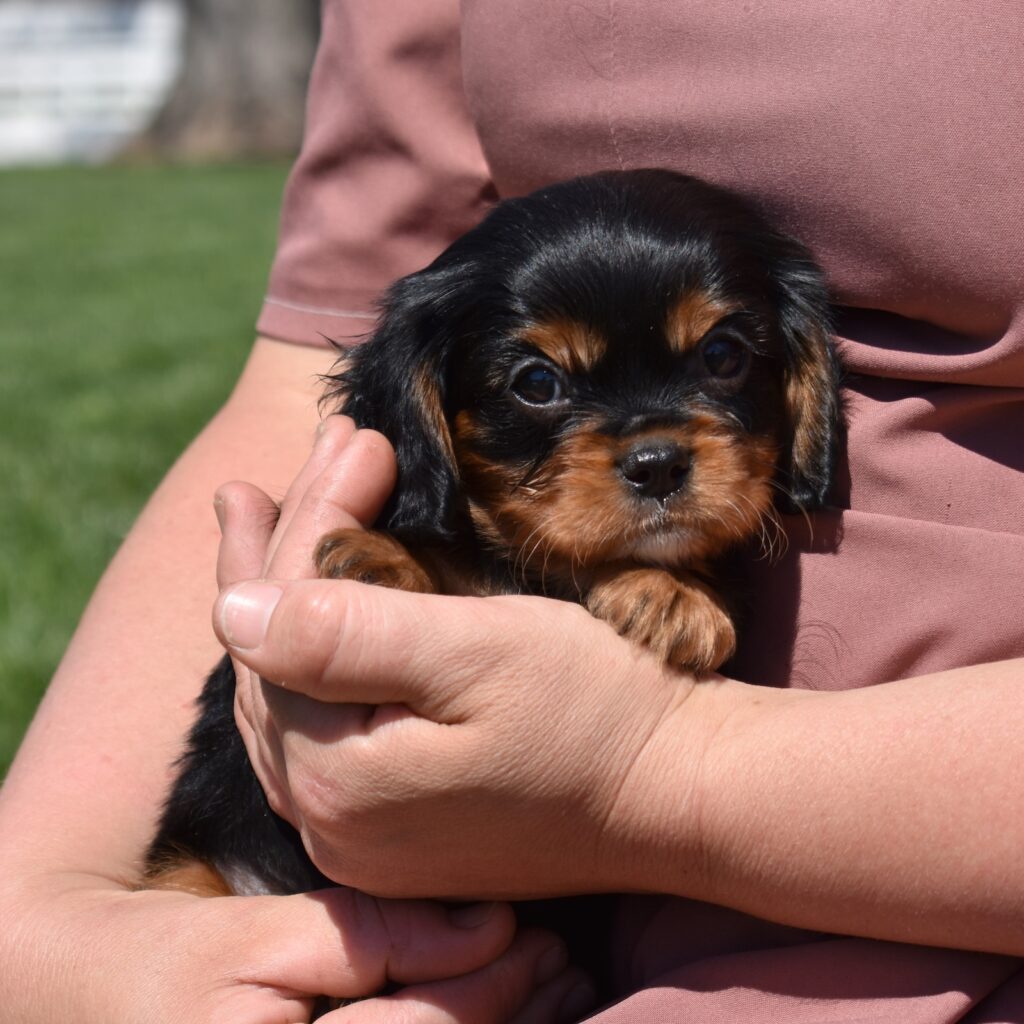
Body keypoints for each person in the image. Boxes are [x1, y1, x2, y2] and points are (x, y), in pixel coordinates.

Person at [2, 0, 1022, 1020]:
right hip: (270, 893)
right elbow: (305, 349)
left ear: (799, 378)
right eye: (538, 385)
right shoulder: (409, 469)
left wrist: (661, 769)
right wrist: (48, 927)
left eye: (720, 361)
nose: (652, 449)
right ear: (427, 412)